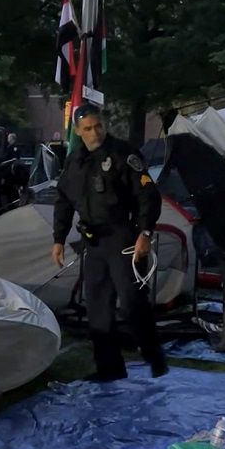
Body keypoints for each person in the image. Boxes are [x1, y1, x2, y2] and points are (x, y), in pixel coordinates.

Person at [52, 103, 168, 382]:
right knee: (97, 306)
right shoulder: (75, 160)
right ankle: (109, 367)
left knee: (131, 302)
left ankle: (155, 358)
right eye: (88, 129)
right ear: (78, 132)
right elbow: (64, 200)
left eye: (98, 126)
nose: (95, 133)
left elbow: (148, 196)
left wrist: (145, 233)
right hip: (92, 241)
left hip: (121, 236)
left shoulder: (122, 153)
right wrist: (58, 238)